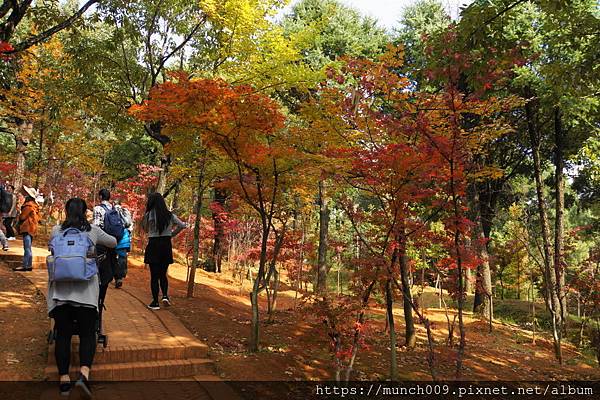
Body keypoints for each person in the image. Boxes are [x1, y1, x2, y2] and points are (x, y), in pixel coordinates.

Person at [48, 198, 117, 398]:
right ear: (85, 212)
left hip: (60, 294)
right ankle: (84, 374)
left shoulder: (56, 231)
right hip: (86, 294)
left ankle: (63, 380)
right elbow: (112, 242)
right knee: (88, 334)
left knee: (63, 335)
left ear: (66, 211)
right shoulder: (93, 231)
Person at [141, 192, 187, 310]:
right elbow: (182, 225)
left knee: (154, 275)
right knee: (163, 274)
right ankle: (165, 296)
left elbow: (145, 229)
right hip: (166, 245)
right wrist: (171, 234)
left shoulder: (148, 215)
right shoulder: (169, 215)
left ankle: (155, 302)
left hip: (153, 245)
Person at [13, 186, 41, 272]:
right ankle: (28, 265)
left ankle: (25, 265)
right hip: (32, 228)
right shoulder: (35, 206)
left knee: (27, 248)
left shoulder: (28, 206)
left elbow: (22, 217)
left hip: (27, 228)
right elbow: (39, 218)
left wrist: (19, 212)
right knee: (28, 247)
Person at [113, 201, 133, 288]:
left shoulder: (112, 212)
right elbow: (130, 226)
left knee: (112, 258)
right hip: (124, 238)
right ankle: (119, 278)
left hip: (113, 238)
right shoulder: (125, 212)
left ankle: (113, 276)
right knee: (122, 259)